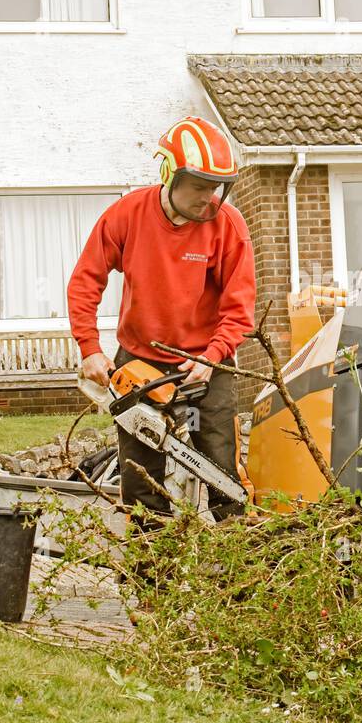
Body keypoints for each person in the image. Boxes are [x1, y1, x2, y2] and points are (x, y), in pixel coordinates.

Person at [66, 116, 255, 519]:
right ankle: (151, 570)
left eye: (216, 188)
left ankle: (236, 563)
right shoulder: (127, 215)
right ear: (171, 175)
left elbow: (239, 308)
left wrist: (212, 357)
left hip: (206, 364)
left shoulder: (227, 226)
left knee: (220, 464)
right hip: (140, 360)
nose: (209, 197)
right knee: (141, 474)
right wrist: (89, 348)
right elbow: (86, 280)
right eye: (200, 187)